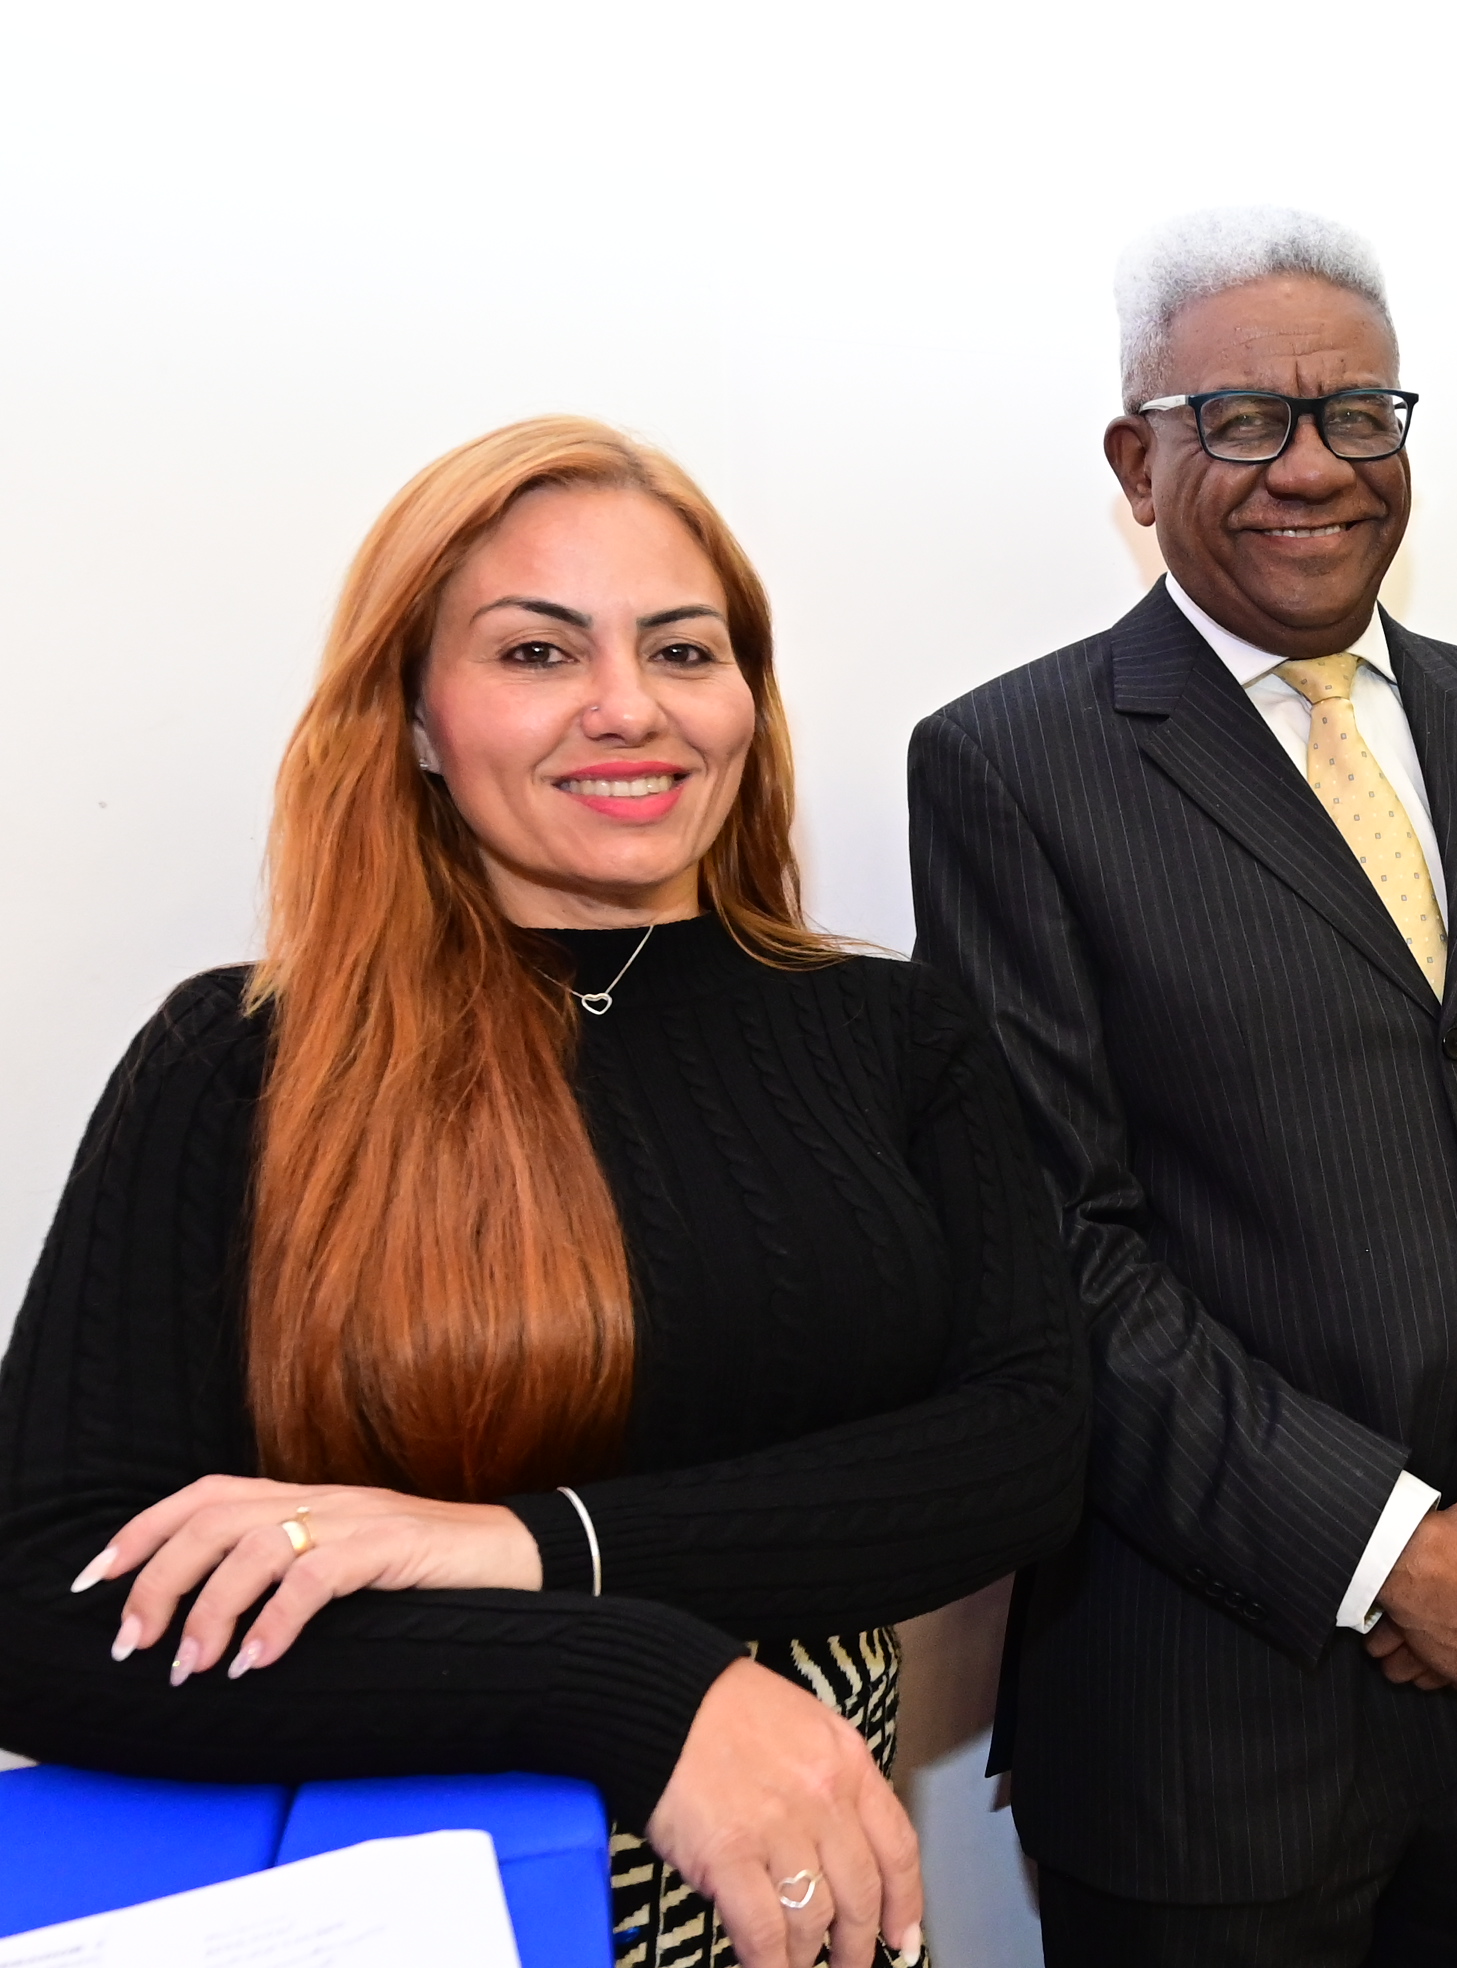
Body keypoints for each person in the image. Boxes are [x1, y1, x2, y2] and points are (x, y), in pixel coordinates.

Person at [0, 418, 1087, 1968]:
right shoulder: (241, 1061)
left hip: (814, 1917)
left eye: (683, 649)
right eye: (537, 652)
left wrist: (526, 1546)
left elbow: (1025, 1451)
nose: (628, 706)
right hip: (408, 1918)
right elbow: (43, 1605)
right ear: (414, 716)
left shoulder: (891, 1032)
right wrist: (635, 1685)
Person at [907, 208, 1457, 1967]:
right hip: (1214, 1728)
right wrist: (1396, 1552)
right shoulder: (1009, 766)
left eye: (1359, 414)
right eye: (1244, 421)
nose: (1316, 467)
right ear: (1138, 463)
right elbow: (1060, 1248)